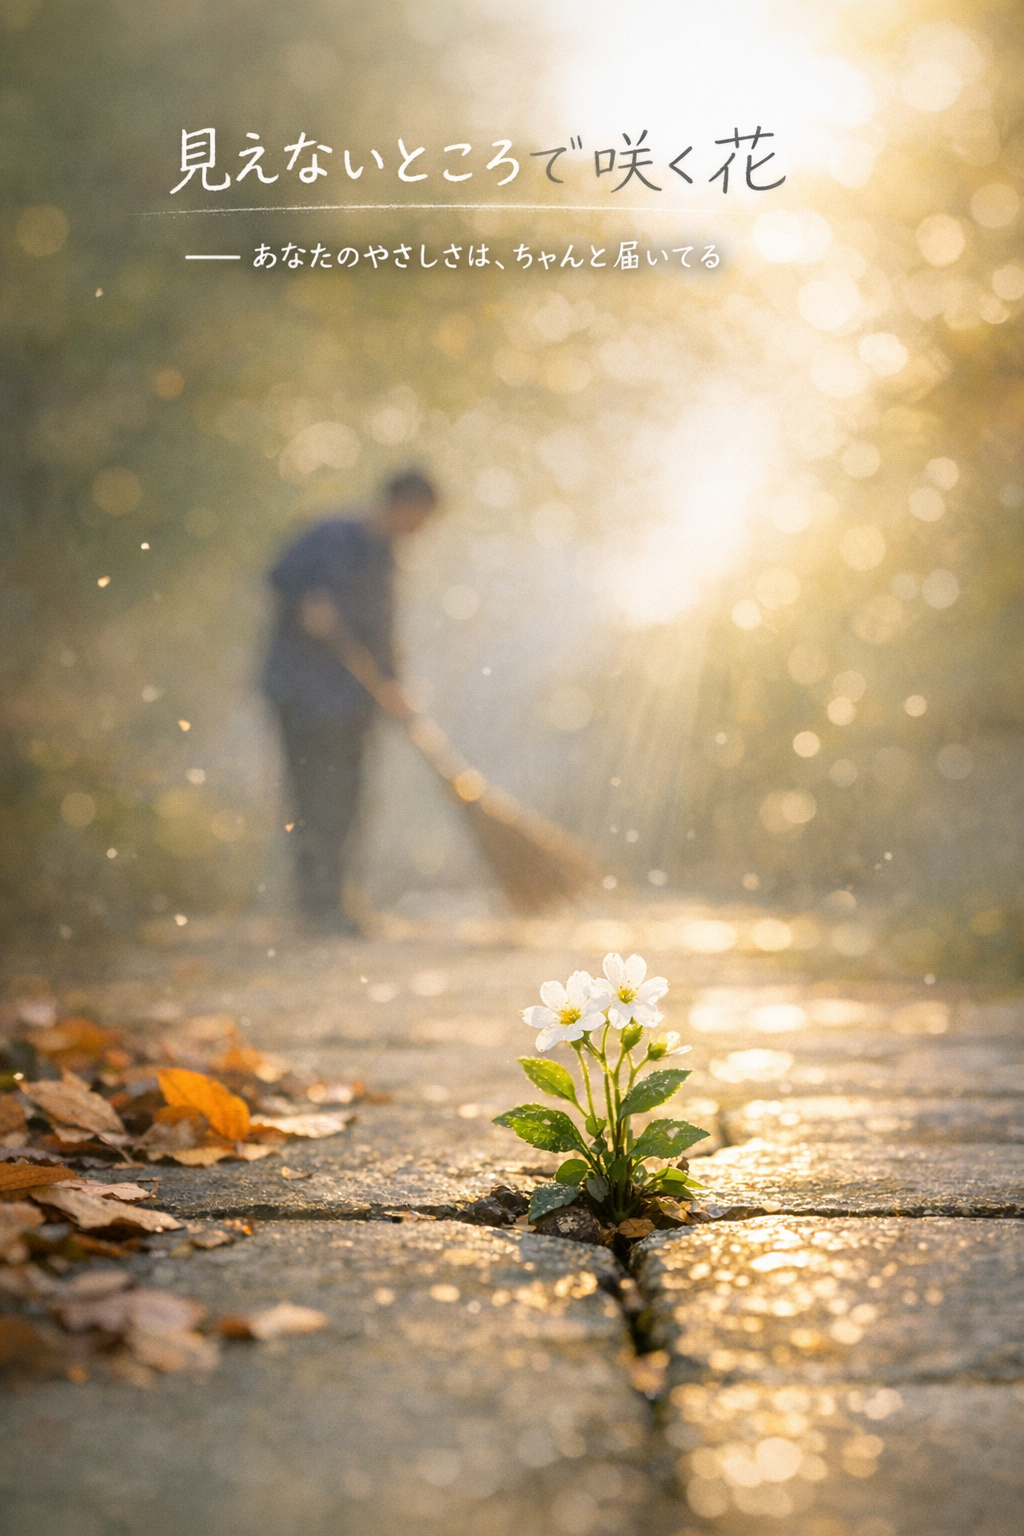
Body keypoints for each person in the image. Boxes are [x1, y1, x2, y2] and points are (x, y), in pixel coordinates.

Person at [263, 470, 439, 933]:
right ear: (399, 503)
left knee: (351, 798)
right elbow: (277, 576)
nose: (420, 530)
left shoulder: (385, 559)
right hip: (303, 692)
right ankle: (315, 907)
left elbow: (382, 633)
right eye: (419, 518)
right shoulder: (329, 535)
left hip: (353, 700)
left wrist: (395, 685)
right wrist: (306, 603)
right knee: (314, 796)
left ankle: (338, 900)